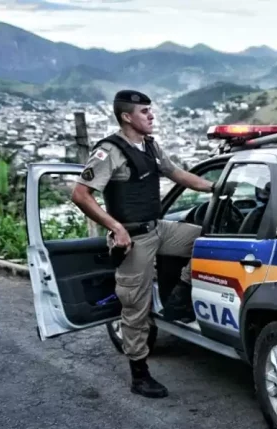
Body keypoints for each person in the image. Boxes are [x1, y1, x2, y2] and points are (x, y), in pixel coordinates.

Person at [70, 89, 216, 399]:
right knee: (136, 308)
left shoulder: (150, 145)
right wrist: (114, 227)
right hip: (133, 238)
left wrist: (216, 188)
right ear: (126, 116)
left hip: (159, 227)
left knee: (207, 239)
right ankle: (140, 374)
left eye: (151, 111)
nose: (151, 116)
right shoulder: (109, 151)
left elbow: (176, 173)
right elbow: (80, 194)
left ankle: (180, 294)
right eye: (144, 111)